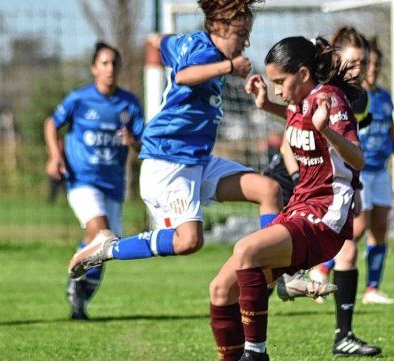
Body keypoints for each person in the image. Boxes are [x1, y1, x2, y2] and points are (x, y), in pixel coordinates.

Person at [68, 0, 289, 289]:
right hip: (168, 161)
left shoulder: (188, 43)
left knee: (268, 190)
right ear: (220, 28)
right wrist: (228, 66)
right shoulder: (204, 53)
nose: (246, 41)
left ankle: (273, 275)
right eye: (241, 34)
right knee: (189, 241)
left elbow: (157, 43)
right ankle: (108, 248)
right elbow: (184, 76)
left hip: (196, 160)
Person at [208, 36, 365, 361]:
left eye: (280, 81)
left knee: (246, 250)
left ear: (304, 75)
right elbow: (298, 117)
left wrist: (328, 132)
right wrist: (266, 105)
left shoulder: (331, 100)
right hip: (298, 210)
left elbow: (358, 159)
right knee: (222, 290)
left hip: (325, 218)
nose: (278, 88)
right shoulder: (301, 101)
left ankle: (256, 354)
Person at [276, 27, 383, 357]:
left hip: (332, 186)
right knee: (266, 265)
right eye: (354, 59)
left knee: (347, 253)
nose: (360, 67)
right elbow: (287, 144)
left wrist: (353, 187)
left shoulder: (356, 98)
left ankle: (343, 335)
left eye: (364, 61)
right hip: (303, 186)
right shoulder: (321, 95)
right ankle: (242, 324)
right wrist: (303, 184)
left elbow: (349, 153)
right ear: (337, 56)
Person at [44, 42, 144, 320]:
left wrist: (133, 142)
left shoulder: (129, 103)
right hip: (82, 180)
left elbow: (142, 145)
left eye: (114, 63)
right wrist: (55, 156)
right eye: (104, 63)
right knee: (101, 232)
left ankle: (79, 297)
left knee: (105, 244)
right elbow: (51, 123)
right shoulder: (79, 99)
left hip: (114, 184)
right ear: (94, 68)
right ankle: (76, 281)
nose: (110, 68)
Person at [313, 34, 394, 306]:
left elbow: (393, 134)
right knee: (356, 229)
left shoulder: (382, 98)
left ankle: (372, 288)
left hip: (380, 171)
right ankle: (321, 270)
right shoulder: (350, 97)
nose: (370, 69)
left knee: (379, 228)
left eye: (373, 64)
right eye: (365, 64)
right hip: (360, 170)